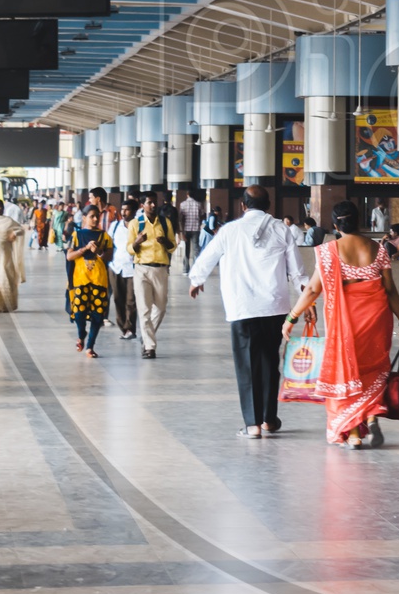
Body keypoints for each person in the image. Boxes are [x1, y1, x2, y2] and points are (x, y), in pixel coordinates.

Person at [283, 201, 399, 448]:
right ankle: (373, 415)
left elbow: (312, 289)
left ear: (335, 225)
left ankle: (353, 434)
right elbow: (390, 290)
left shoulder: (327, 251)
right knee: (372, 370)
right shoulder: (379, 249)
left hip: (345, 324)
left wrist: (292, 317)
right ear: (359, 221)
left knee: (346, 372)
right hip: (376, 320)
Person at [189, 186, 302, 439]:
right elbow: (297, 271)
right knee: (270, 363)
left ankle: (252, 424)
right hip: (275, 307)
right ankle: (269, 420)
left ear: (243, 206)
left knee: (247, 365)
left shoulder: (229, 230)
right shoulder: (281, 229)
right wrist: (307, 299)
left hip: (242, 307)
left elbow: (208, 256)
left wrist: (196, 279)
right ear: (269, 205)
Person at [128, 192, 176, 359]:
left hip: (160, 269)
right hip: (141, 269)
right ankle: (150, 346)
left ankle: (147, 336)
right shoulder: (135, 224)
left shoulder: (165, 222)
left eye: (155, 203)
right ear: (142, 205)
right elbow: (129, 248)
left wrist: (165, 242)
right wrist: (137, 242)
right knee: (144, 309)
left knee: (161, 308)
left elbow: (173, 246)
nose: (153, 205)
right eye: (150, 203)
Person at [66, 206, 112, 359]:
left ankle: (90, 346)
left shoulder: (104, 236)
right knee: (79, 313)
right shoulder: (77, 235)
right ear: (84, 217)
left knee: (98, 315)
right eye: (91, 216)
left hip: (99, 279)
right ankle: (81, 333)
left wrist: (99, 251)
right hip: (81, 279)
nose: (95, 219)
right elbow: (69, 256)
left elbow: (109, 256)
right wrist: (85, 249)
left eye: (97, 216)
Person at [109, 199, 139, 341]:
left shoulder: (139, 227)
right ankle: (123, 327)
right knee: (117, 299)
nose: (124, 212)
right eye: (123, 209)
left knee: (131, 300)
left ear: (133, 212)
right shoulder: (115, 226)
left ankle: (130, 328)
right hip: (116, 267)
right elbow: (108, 244)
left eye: (127, 210)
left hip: (133, 268)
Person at [178, 189, 204, 270]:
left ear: (187, 194)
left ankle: (185, 268)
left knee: (186, 249)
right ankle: (196, 267)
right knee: (196, 249)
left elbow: (181, 218)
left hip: (186, 229)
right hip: (196, 229)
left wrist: (181, 231)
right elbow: (202, 215)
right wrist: (198, 222)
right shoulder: (198, 204)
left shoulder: (182, 204)